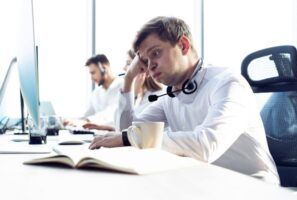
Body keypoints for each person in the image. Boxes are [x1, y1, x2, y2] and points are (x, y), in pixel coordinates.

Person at [89, 16, 279, 184]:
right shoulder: (170, 96)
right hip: (207, 182)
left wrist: (129, 138)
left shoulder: (227, 83)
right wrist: (129, 80)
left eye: (155, 53)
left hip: (253, 186)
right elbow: (126, 131)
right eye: (145, 60)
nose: (150, 65)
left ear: (183, 45)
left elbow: (206, 145)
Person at [64, 54, 122, 131]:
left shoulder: (122, 86)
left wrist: (87, 121)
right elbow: (87, 114)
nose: (91, 78)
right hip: (98, 135)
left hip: (115, 134)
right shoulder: (96, 92)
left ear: (104, 69)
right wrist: (70, 120)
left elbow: (112, 113)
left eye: (93, 73)